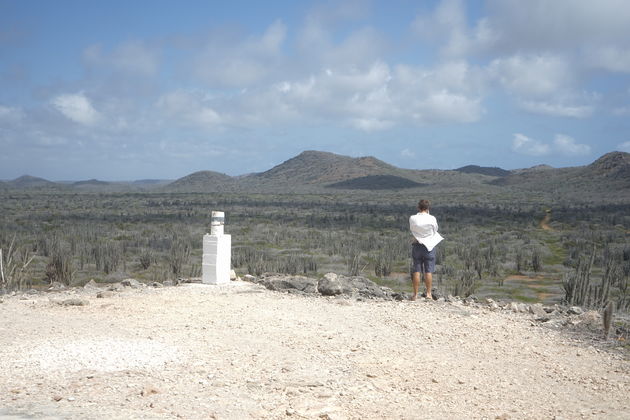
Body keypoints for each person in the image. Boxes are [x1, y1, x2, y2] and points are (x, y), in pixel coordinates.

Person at [409, 199, 443, 301]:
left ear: (418, 208)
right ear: (428, 208)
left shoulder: (413, 218)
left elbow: (412, 229)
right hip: (429, 246)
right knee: (428, 271)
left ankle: (415, 295)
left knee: (417, 270)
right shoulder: (432, 218)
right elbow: (435, 230)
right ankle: (428, 294)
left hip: (417, 245)